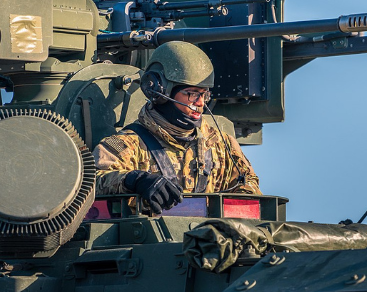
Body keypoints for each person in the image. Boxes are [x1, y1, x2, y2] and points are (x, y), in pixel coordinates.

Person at [93, 42, 261, 214]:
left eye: (204, 94)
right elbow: (92, 183)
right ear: (161, 91)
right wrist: (135, 180)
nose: (201, 103)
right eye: (192, 94)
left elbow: (248, 185)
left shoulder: (222, 144)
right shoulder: (127, 144)